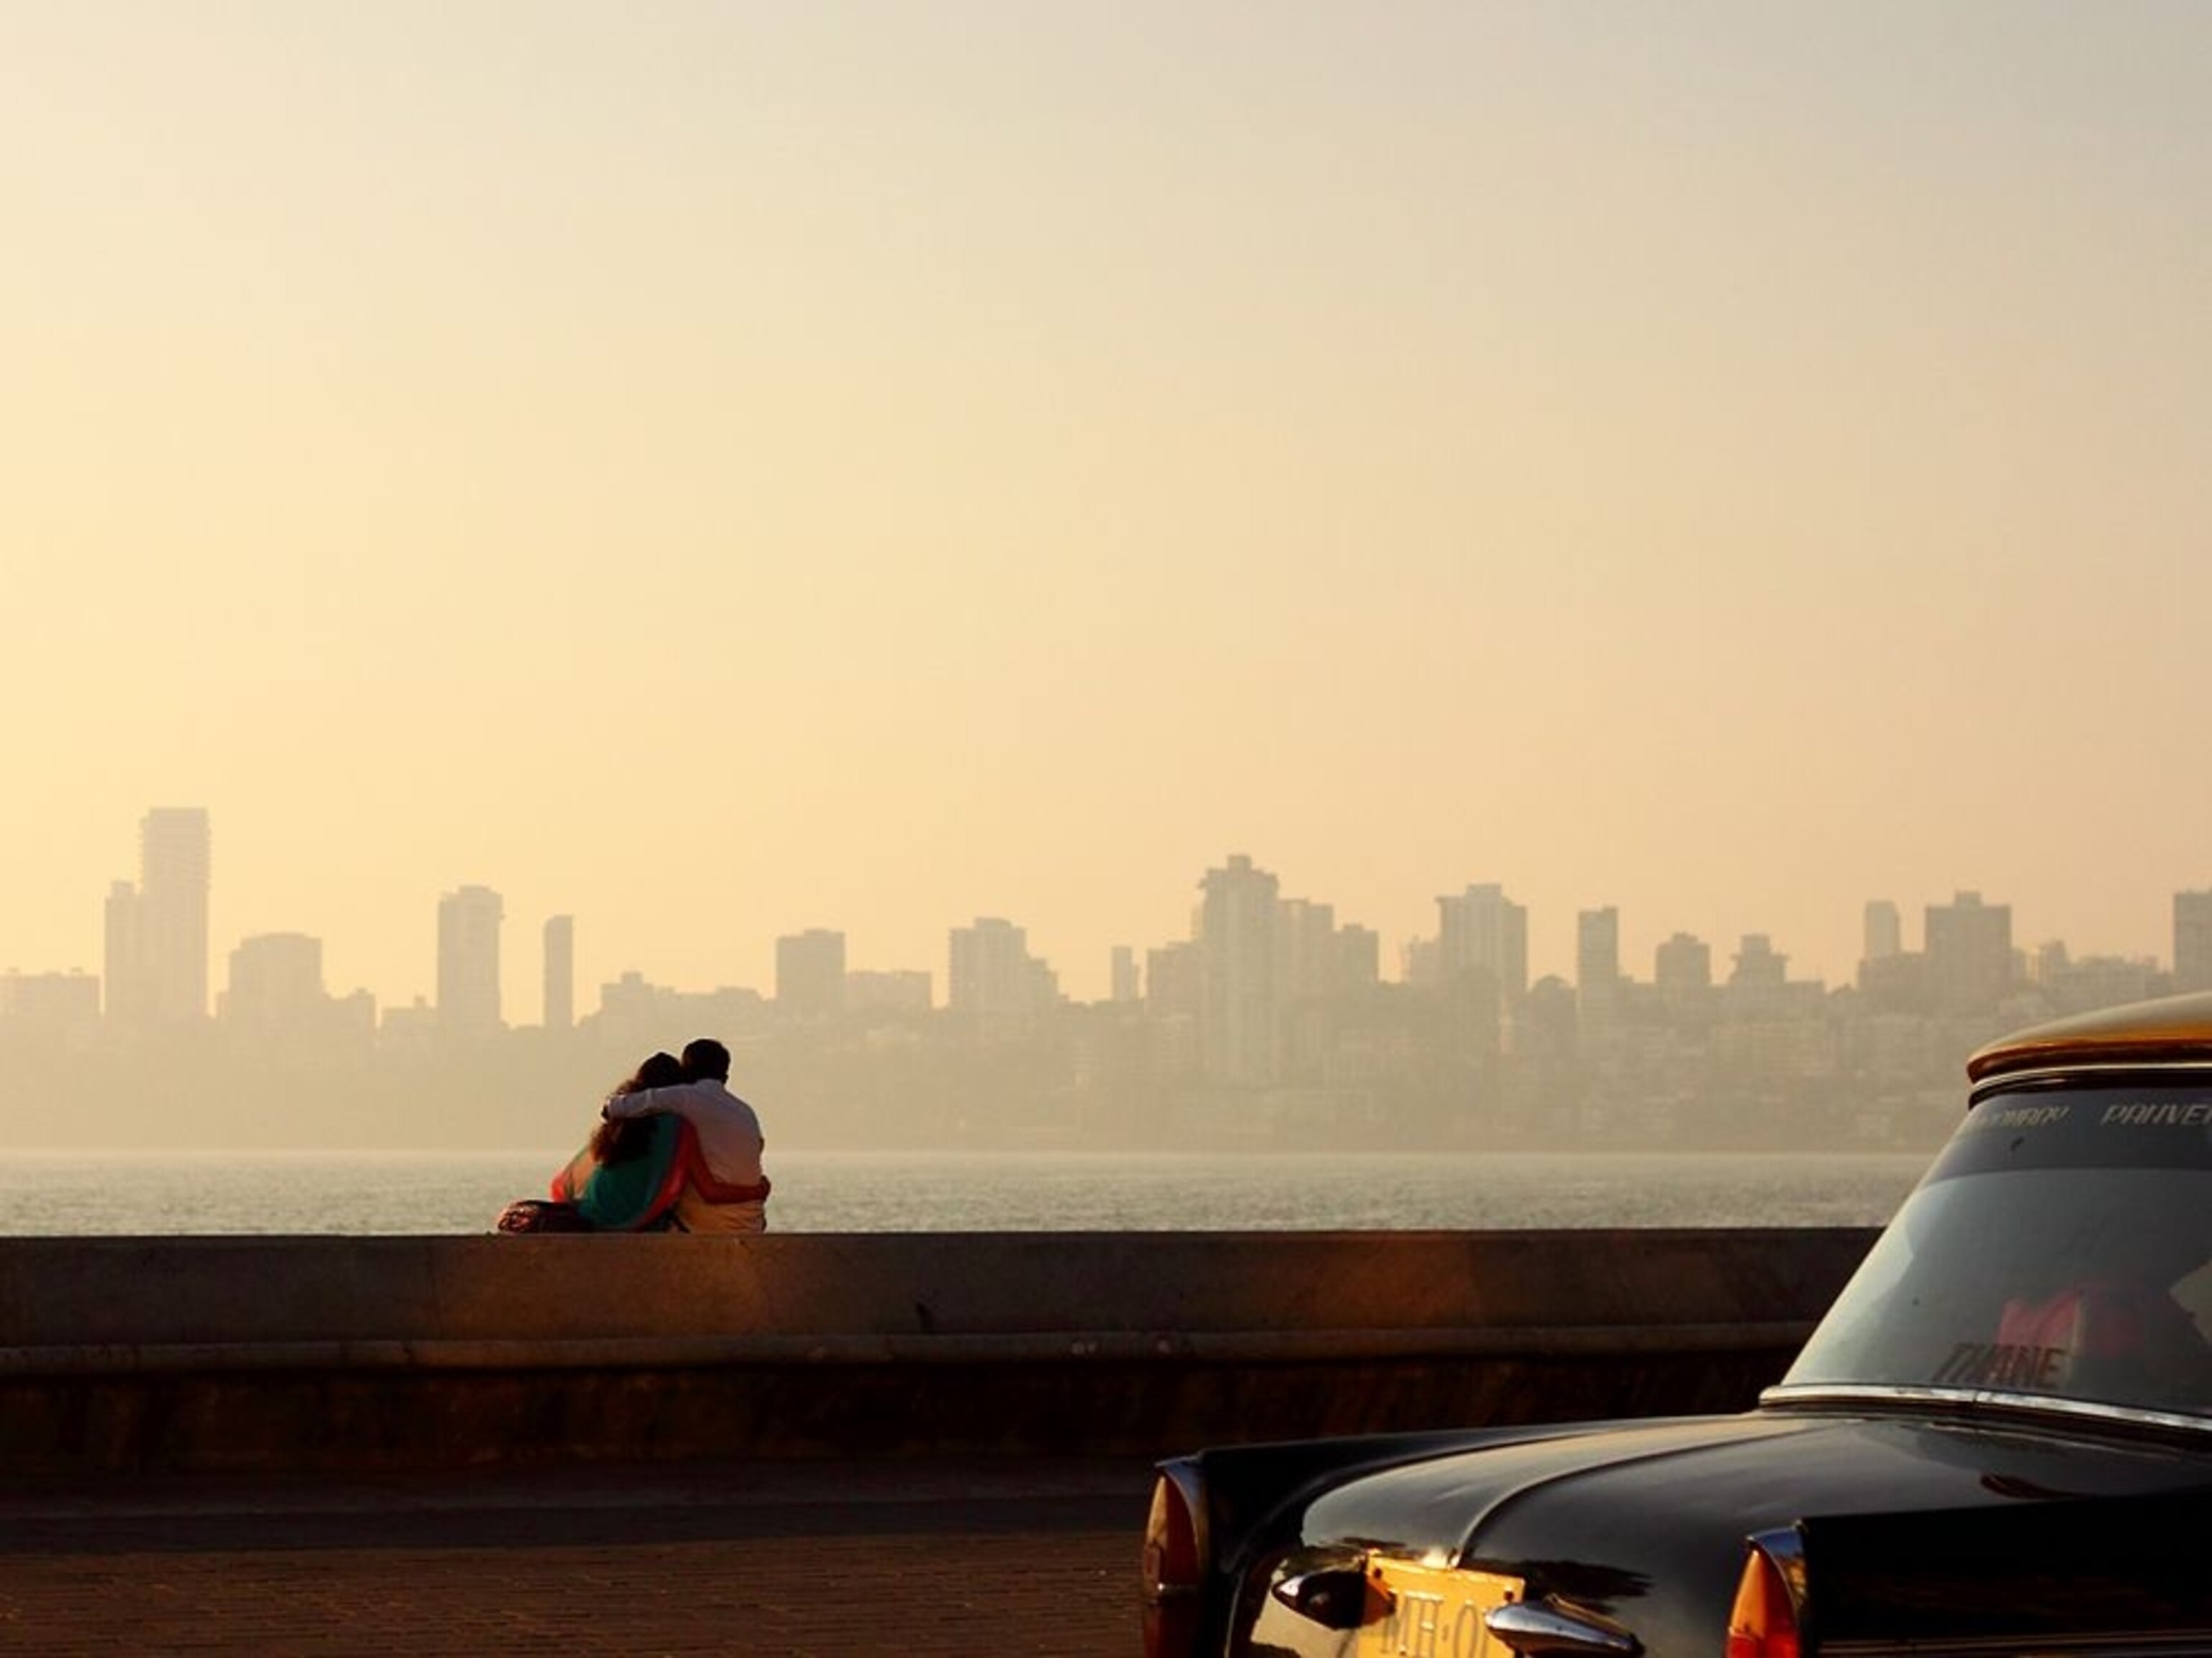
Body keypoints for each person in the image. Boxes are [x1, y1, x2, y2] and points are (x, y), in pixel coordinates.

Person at [596, 1036, 771, 1234]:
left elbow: (611, 1109)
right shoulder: (746, 1112)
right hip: (752, 1224)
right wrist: (757, 1192)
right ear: (726, 1076)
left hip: (705, 1225)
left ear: (687, 1073)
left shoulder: (683, 1097)